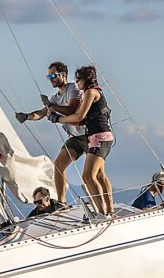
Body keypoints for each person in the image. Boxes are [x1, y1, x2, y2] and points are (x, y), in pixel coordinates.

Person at [14, 61, 88, 203]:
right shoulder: (54, 98)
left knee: (91, 174)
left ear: (63, 75)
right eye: (49, 77)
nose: (51, 79)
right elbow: (41, 113)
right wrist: (26, 116)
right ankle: (62, 202)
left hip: (88, 134)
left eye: (53, 75)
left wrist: (51, 105)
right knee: (59, 165)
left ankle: (105, 204)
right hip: (75, 138)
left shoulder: (73, 89)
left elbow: (72, 109)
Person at [52, 65, 115, 216]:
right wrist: (58, 119)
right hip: (96, 137)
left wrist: (59, 118)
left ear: (85, 80)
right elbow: (78, 121)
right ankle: (109, 211)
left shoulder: (91, 92)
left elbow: (78, 117)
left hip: (100, 138)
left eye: (78, 80)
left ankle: (102, 213)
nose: (77, 83)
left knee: (88, 176)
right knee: (99, 175)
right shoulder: (89, 93)